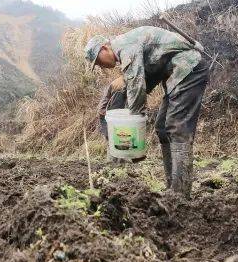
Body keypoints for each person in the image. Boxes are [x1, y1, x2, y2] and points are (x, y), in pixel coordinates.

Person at [84, 26, 208, 197]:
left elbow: (137, 87)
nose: (101, 66)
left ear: (104, 48)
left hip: (189, 69)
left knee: (177, 129)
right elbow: (147, 77)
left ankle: (180, 194)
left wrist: (131, 129)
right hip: (177, 76)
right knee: (162, 128)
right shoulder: (125, 48)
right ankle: (171, 187)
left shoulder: (125, 46)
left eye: (98, 61)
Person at [97, 76, 127, 140]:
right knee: (113, 139)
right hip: (105, 114)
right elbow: (117, 110)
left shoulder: (122, 81)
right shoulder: (120, 86)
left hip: (106, 112)